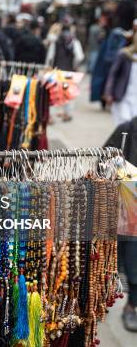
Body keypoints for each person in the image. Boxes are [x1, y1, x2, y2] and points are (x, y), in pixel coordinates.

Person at [104, 117, 137, 332]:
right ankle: (131, 305)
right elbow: (104, 160)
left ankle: (131, 304)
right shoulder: (127, 130)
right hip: (128, 204)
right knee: (128, 258)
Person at [45, 23, 84, 122]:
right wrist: (75, 66)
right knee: (68, 93)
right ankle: (67, 114)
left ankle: (51, 117)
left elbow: (50, 56)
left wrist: (48, 67)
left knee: (54, 94)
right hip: (69, 72)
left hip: (57, 71)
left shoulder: (56, 41)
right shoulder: (74, 41)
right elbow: (79, 57)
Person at [103, 32, 137, 126]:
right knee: (124, 126)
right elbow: (113, 74)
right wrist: (108, 92)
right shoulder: (124, 55)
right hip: (123, 97)